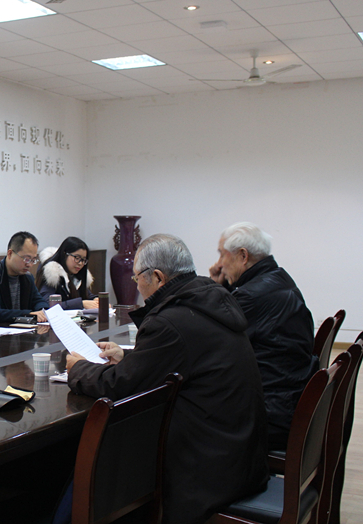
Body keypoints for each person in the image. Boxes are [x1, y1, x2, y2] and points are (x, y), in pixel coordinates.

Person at [63, 234, 269, 524]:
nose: (137, 286)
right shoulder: (208, 300)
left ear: (158, 277)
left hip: (208, 470)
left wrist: (78, 368)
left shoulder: (170, 321)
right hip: (241, 453)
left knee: (105, 454)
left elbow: (119, 385)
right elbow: (181, 359)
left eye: (137, 278)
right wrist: (130, 357)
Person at [209, 222, 317, 450]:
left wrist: (215, 290)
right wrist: (222, 288)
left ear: (243, 256)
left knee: (186, 415)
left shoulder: (252, 296)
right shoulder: (277, 278)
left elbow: (210, 339)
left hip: (271, 412)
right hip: (287, 398)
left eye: (222, 254)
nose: (218, 264)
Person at [0, 231, 48, 324]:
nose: (29, 264)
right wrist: (27, 314)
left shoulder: (28, 277)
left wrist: (43, 311)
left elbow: (38, 301)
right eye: (26, 259)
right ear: (10, 253)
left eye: (33, 260)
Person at [36, 236, 99, 310]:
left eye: (83, 260)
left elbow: (87, 295)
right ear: (65, 254)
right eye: (77, 258)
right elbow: (47, 304)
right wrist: (81, 304)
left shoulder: (76, 276)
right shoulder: (52, 274)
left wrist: (96, 300)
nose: (80, 263)